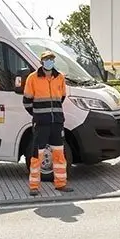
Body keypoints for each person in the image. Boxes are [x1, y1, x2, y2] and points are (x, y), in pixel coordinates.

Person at [23, 51, 73, 195]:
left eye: (51, 59)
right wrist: (38, 115)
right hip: (41, 123)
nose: (49, 61)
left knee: (59, 155)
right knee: (36, 155)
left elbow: (61, 97)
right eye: (46, 59)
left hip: (56, 122)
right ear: (41, 61)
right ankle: (34, 186)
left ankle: (60, 184)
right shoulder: (32, 78)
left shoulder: (60, 77)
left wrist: (53, 114)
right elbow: (26, 101)